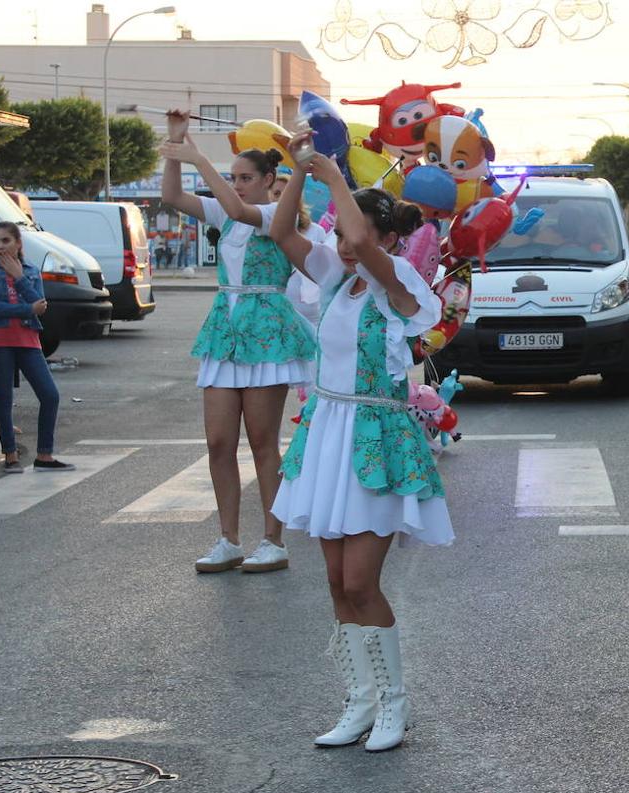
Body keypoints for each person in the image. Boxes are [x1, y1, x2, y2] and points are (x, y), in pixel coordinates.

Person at [269, 133, 451, 753]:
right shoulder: (334, 278)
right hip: (328, 434)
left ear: (385, 239)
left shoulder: (397, 284)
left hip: (377, 438)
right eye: (340, 237)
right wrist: (300, 172)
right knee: (333, 581)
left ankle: (394, 706)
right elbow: (284, 235)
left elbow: (364, 246)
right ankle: (360, 702)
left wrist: (335, 175)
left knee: (360, 582)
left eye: (353, 236)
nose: (341, 246)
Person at [160, 109, 317, 575]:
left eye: (246, 176)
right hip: (226, 330)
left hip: (267, 330)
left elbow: (235, 209)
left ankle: (273, 539)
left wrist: (199, 159)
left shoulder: (273, 214)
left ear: (271, 179)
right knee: (218, 441)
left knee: (264, 443)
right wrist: (175, 147)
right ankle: (228, 539)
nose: (239, 183)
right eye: (235, 177)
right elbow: (171, 195)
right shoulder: (229, 212)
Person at [0, 222, 73, 474]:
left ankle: (44, 455)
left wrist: (19, 278)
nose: (0, 246)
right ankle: (11, 455)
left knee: (50, 395)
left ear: (18, 243)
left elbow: (41, 304)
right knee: (4, 399)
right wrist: (28, 309)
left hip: (28, 339)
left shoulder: (31, 271)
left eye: (5, 240)